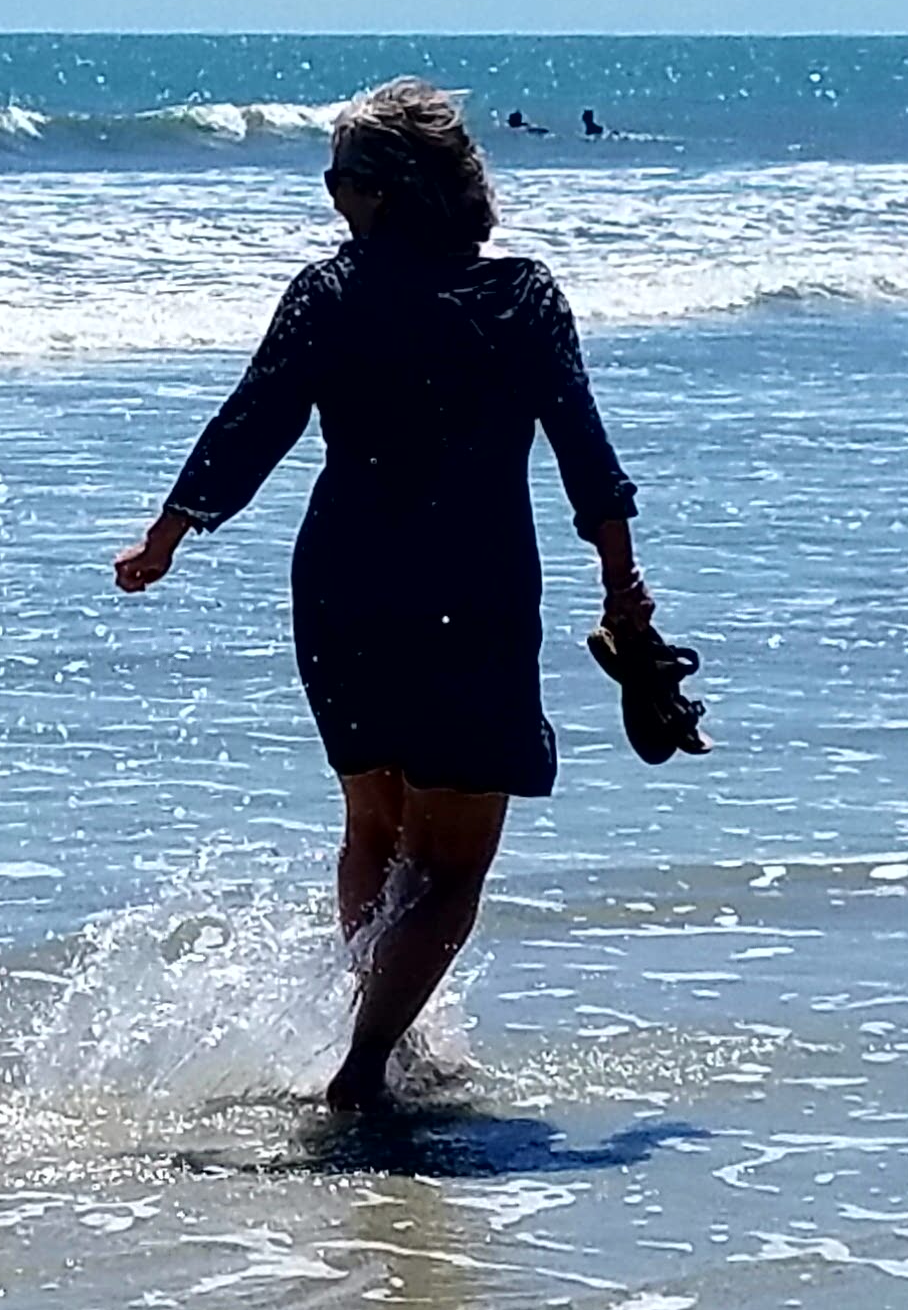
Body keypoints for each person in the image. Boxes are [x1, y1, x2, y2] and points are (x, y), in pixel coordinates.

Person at [114, 80, 652, 1112]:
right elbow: (585, 452)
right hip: (472, 590)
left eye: (339, 179)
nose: (330, 196)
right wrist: (623, 584)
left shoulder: (330, 293)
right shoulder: (522, 297)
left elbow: (252, 424)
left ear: (383, 191)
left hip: (344, 588)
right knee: (450, 863)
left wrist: (168, 535)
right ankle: (365, 1069)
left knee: (375, 825)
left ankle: (385, 1043)